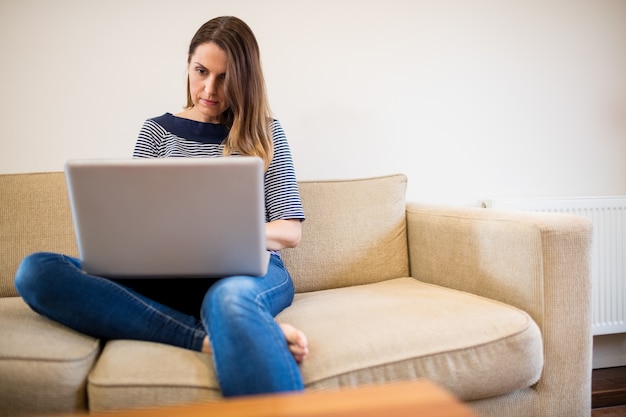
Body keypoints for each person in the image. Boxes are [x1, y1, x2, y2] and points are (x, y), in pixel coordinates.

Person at [14, 16, 309, 397]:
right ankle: (206, 337)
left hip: (249, 269)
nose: (209, 88)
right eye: (201, 71)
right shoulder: (156, 131)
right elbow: (137, 225)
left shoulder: (265, 130)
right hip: (168, 278)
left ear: (245, 78)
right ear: (187, 65)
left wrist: (219, 235)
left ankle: (233, 324)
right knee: (37, 271)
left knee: (230, 300)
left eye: (225, 77)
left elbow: (290, 230)